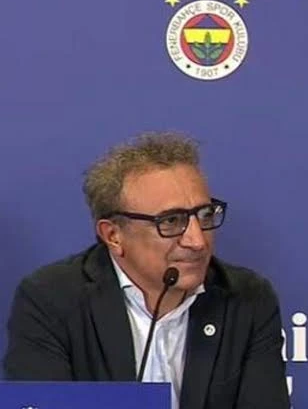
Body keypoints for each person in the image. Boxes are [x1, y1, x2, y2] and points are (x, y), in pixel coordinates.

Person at [3, 132, 291, 409]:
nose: (197, 241)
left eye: (204, 215)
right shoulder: (51, 300)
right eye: (171, 221)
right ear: (114, 236)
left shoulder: (247, 300)